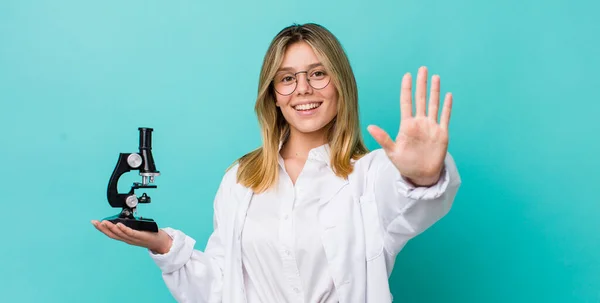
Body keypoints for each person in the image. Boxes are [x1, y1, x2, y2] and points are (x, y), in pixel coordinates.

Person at [92, 23, 461, 303]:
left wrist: (423, 175)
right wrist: (163, 246)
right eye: (287, 78)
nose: (303, 89)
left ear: (340, 84)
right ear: (273, 95)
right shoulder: (241, 180)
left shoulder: (370, 175)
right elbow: (222, 287)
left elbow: (413, 202)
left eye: (318, 73)